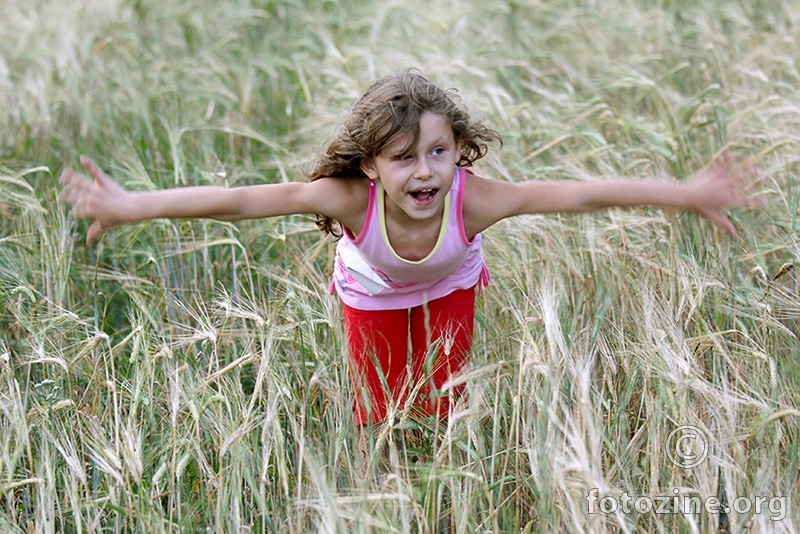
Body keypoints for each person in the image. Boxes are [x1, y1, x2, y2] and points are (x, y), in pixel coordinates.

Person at [59, 70, 763, 428]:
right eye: (403, 158)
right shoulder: (347, 199)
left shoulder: (476, 200)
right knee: (380, 413)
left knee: (442, 404)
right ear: (370, 166)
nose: (423, 171)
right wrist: (128, 207)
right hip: (372, 296)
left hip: (451, 288)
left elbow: (579, 194)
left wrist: (687, 193)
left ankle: (440, 487)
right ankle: (386, 495)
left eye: (438, 151)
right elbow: (244, 201)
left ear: (458, 151)